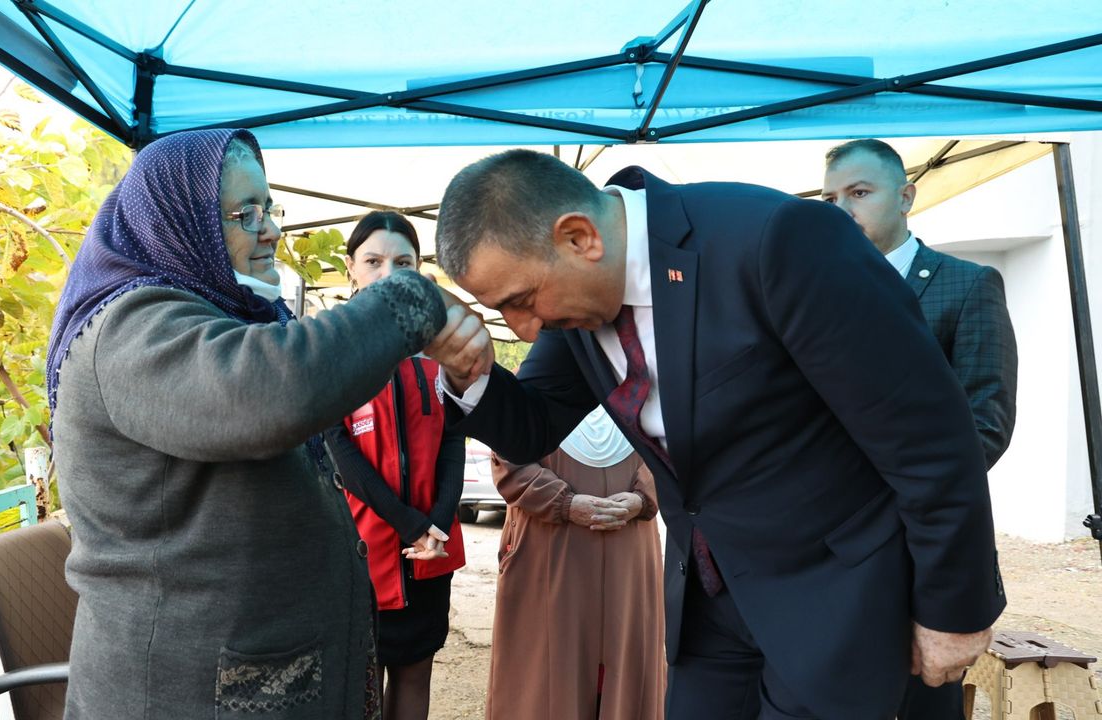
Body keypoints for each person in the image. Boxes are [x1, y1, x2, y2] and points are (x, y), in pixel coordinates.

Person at [425, 149, 1005, 719]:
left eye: (522, 301)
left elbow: (929, 437)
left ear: (579, 237)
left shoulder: (776, 240)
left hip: (834, 600)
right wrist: (466, 372)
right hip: (710, 608)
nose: (525, 328)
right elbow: (532, 427)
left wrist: (954, 609)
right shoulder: (575, 299)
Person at [46, 129, 451, 720]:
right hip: (181, 694)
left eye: (269, 208)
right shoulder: (129, 329)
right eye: (245, 213)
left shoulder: (220, 312)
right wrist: (410, 298)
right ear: (178, 220)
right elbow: (272, 391)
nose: (271, 231)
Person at [822, 138, 1019, 719]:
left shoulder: (968, 284)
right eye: (830, 199)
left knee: (919, 702)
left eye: (859, 192)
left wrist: (890, 492)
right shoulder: (811, 291)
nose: (842, 210)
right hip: (826, 546)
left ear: (906, 196)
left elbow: (986, 423)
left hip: (923, 545)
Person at [323, 211, 466, 720]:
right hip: (366, 550)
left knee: (416, 672)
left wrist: (438, 524)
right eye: (373, 261)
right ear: (350, 268)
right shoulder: (332, 348)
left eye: (402, 262)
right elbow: (341, 454)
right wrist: (411, 525)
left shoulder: (441, 347)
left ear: (419, 268)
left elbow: (453, 440)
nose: (388, 273)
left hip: (432, 548)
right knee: (363, 686)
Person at [486, 406, 665, 720]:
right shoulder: (530, 390)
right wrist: (563, 502)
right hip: (549, 553)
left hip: (630, 551)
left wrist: (643, 497)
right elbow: (508, 454)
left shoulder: (646, 392)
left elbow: (673, 450)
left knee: (626, 665)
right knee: (544, 678)